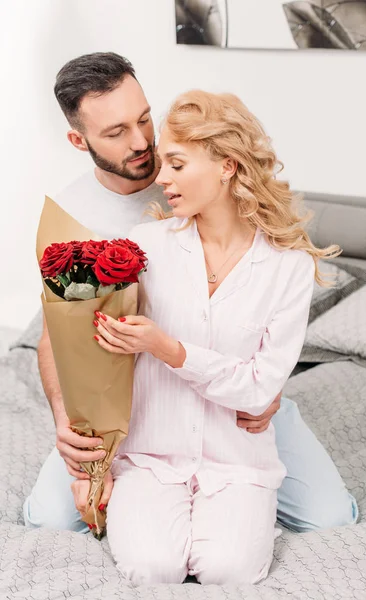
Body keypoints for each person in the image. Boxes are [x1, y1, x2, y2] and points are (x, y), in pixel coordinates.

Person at [23, 52, 358, 535]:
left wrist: (271, 388)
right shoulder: (70, 219)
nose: (143, 144)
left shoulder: (195, 168)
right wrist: (71, 427)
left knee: (332, 519)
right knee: (49, 521)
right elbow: (57, 336)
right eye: (116, 133)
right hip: (133, 403)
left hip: (230, 396)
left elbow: (269, 287)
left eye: (143, 120)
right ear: (79, 140)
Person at [71, 89, 343, 584]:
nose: (161, 178)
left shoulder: (289, 266)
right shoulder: (142, 249)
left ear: (228, 166)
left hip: (237, 460)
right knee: (152, 567)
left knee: (230, 569)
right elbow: (97, 359)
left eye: (176, 164)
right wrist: (91, 461)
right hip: (151, 455)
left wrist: (167, 349)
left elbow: (261, 388)